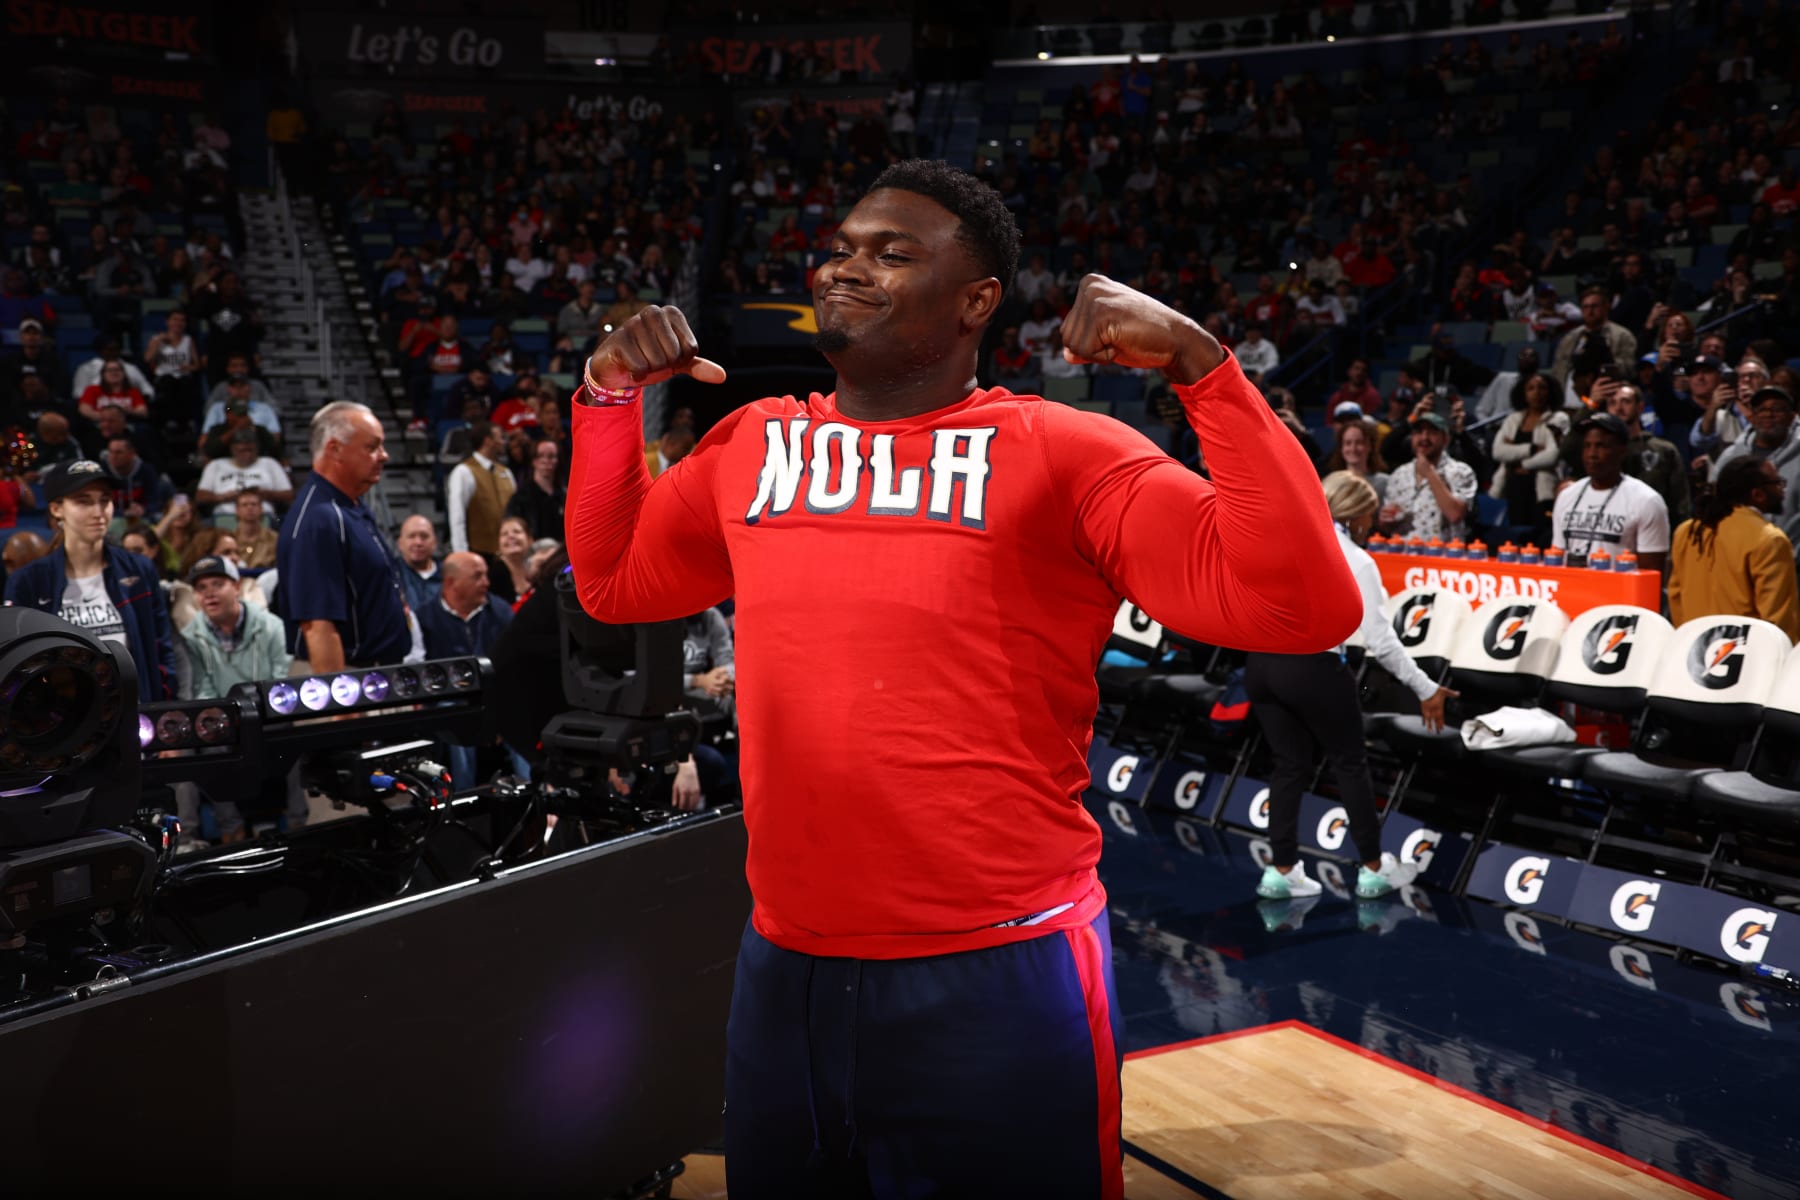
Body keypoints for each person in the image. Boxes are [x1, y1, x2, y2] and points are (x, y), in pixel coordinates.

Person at [565, 161, 1358, 1198]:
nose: (849, 268)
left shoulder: (1066, 452)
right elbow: (617, 580)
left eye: (893, 255)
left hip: (999, 971)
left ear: (977, 301)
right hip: (785, 963)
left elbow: (1303, 606)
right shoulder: (752, 444)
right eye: (844, 247)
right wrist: (608, 396)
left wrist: (1206, 370)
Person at [1250, 472, 1453, 902]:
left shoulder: (1283, 541)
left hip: (1261, 664)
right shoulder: (1357, 559)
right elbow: (1381, 641)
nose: (1372, 522)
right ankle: (1375, 869)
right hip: (1313, 667)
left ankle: (1281, 870)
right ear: (1358, 513)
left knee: (1289, 766)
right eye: (1370, 514)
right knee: (1349, 763)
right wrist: (1425, 687)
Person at [3, 459, 176, 702]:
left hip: (133, 713)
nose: (99, 512)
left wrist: (162, 705)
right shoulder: (29, 581)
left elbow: (161, 648)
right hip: (62, 719)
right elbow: (16, 663)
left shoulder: (139, 569)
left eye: (104, 500)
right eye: (83, 501)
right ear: (56, 509)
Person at [277, 401, 415, 670]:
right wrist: (343, 707)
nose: (384, 456)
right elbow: (318, 626)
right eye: (372, 447)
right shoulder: (319, 519)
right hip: (347, 678)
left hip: (375, 674)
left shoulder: (349, 506)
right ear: (335, 449)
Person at [173, 553, 296, 841]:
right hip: (226, 724)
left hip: (270, 717)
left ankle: (298, 824)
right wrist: (231, 721)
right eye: (201, 588)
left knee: (296, 738)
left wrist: (256, 714)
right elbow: (202, 690)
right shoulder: (191, 636)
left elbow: (282, 678)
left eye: (217, 584)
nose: (209, 593)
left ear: (237, 587)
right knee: (207, 747)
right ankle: (231, 831)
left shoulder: (272, 626)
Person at [1669, 457, 1800, 639]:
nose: (1782, 490)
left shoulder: (1687, 531)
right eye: (1778, 483)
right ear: (1758, 495)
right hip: (1746, 657)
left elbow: (1675, 597)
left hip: (1693, 651)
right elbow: (1778, 619)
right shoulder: (1770, 540)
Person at [417, 551, 517, 790]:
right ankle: (462, 799)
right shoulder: (424, 619)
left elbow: (514, 665)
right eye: (478, 576)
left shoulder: (500, 611)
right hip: (451, 703)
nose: (487, 582)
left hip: (498, 697)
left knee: (519, 717)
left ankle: (539, 797)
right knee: (453, 718)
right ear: (452, 583)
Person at [1552, 412, 1671, 572]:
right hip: (1571, 593)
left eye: (1601, 446)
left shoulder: (1647, 501)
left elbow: (1651, 575)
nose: (1591, 454)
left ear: (1622, 451)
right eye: (1587, 446)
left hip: (1618, 596)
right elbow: (1557, 558)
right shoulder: (1567, 496)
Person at [1488, 374, 1568, 545]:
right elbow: (1498, 451)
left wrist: (1523, 463)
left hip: (1542, 490)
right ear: (1523, 393)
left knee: (1539, 540)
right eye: (1531, 388)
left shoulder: (1558, 418)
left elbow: (1553, 455)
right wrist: (1531, 448)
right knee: (1512, 540)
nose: (1536, 393)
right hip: (1512, 487)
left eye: (1542, 388)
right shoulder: (1513, 419)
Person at [1379, 411, 1477, 542]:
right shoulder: (1399, 474)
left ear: (1446, 439)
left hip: (1442, 556)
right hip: (1404, 555)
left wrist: (1430, 474)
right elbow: (1388, 527)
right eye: (1419, 432)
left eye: (1432, 432)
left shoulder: (1461, 471)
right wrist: (1385, 521)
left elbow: (1455, 514)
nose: (1424, 437)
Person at [446, 420, 516, 555]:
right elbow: (457, 518)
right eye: (500, 438)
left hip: (506, 553)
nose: (504, 442)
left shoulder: (506, 473)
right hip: (478, 552)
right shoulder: (463, 471)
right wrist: (461, 553)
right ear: (488, 441)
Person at [503, 436, 565, 539]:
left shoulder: (564, 496)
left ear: (558, 460)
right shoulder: (520, 499)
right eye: (540, 456)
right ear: (533, 460)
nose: (546, 461)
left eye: (551, 456)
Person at [1323, 417, 1389, 503]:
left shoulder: (1384, 482)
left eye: (1359, 443)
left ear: (1370, 446)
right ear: (1341, 448)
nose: (1353, 449)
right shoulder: (1330, 483)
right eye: (1348, 443)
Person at [396, 513, 443, 615]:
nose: (418, 542)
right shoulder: (390, 575)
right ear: (400, 543)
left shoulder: (449, 575)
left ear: (435, 542)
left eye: (424, 536)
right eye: (411, 536)